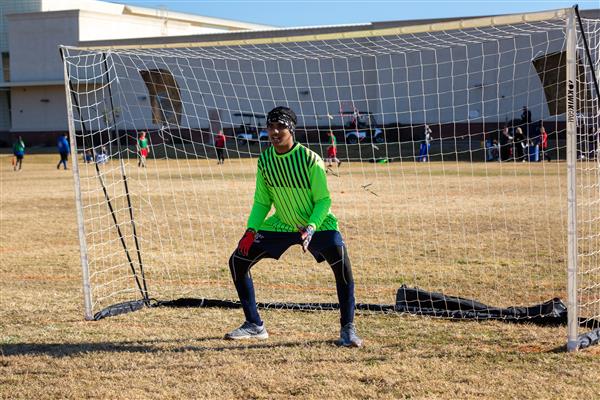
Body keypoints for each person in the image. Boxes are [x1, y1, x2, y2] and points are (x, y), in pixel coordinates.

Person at [224, 106, 362, 347]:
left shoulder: (310, 160)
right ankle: (254, 325)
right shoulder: (265, 160)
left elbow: (323, 200)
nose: (275, 131)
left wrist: (311, 227)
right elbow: (262, 201)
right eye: (271, 126)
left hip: (318, 225)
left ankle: (347, 329)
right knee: (238, 261)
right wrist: (250, 230)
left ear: (291, 129)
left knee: (342, 268)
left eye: (281, 126)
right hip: (282, 224)